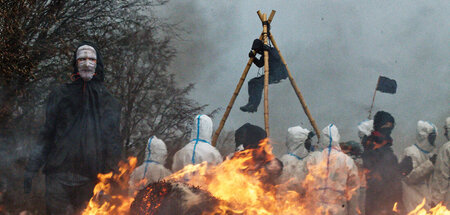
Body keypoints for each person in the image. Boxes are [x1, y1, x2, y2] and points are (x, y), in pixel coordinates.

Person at [24, 42, 122, 214]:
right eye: (82, 58)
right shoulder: (60, 95)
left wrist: (111, 176)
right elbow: (47, 134)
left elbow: (112, 142)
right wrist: (32, 167)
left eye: (91, 59)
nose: (86, 63)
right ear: (75, 63)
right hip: (58, 174)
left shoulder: (108, 101)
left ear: (97, 63)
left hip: (90, 178)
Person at [305, 124, 360, 215]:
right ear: (337, 138)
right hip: (338, 209)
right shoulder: (347, 161)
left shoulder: (313, 158)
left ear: (322, 139)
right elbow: (353, 192)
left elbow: (305, 184)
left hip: (315, 209)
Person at [361, 111, 403, 215]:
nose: (388, 130)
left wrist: (402, 170)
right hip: (376, 205)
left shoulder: (387, 149)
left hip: (388, 203)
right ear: (379, 126)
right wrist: (398, 170)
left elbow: (393, 177)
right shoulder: (371, 148)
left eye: (391, 127)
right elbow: (377, 177)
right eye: (386, 126)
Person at [240, 39, 288, 113]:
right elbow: (260, 64)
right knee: (252, 82)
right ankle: (251, 103)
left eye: (258, 50)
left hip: (278, 74)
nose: (258, 52)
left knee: (259, 83)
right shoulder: (264, 54)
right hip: (271, 74)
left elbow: (278, 57)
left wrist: (268, 50)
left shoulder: (272, 50)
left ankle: (254, 105)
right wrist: (253, 58)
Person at [401, 120, 438, 211]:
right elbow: (409, 178)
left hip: (428, 204)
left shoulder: (432, 154)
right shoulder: (410, 152)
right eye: (431, 137)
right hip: (414, 204)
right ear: (424, 136)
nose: (433, 140)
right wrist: (430, 164)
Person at [278, 126, 311, 191]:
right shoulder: (287, 161)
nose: (310, 143)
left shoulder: (303, 160)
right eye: (307, 141)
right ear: (299, 142)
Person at [430, 117, 450, 207]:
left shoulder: (446, 148)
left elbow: (441, 177)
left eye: (446, 129)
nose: (445, 133)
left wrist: (436, 200)